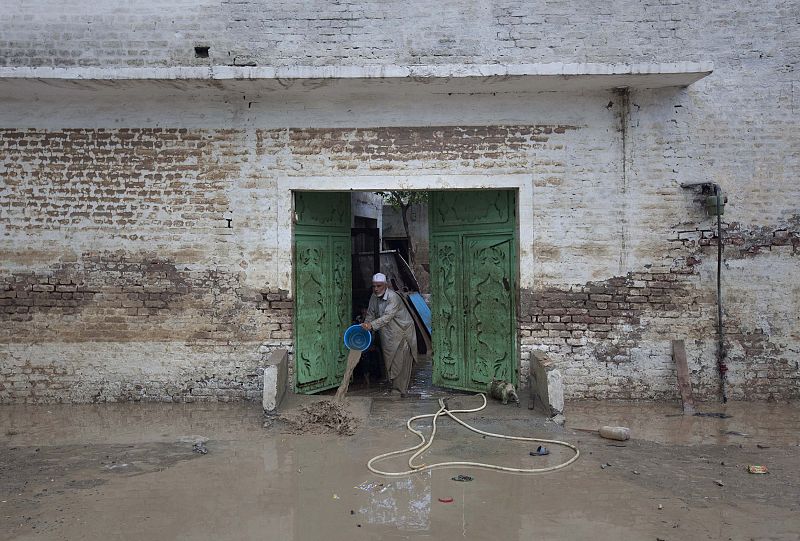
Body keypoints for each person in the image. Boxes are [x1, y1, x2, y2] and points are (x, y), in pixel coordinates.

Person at [361, 273, 417, 395]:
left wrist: (371, 325)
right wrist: (365, 326)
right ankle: (395, 387)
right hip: (388, 333)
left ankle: (399, 390)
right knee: (390, 361)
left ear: (386, 285)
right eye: (374, 286)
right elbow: (370, 314)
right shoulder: (374, 297)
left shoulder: (393, 297)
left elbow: (387, 317)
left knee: (400, 362)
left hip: (402, 332)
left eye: (379, 286)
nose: (376, 289)